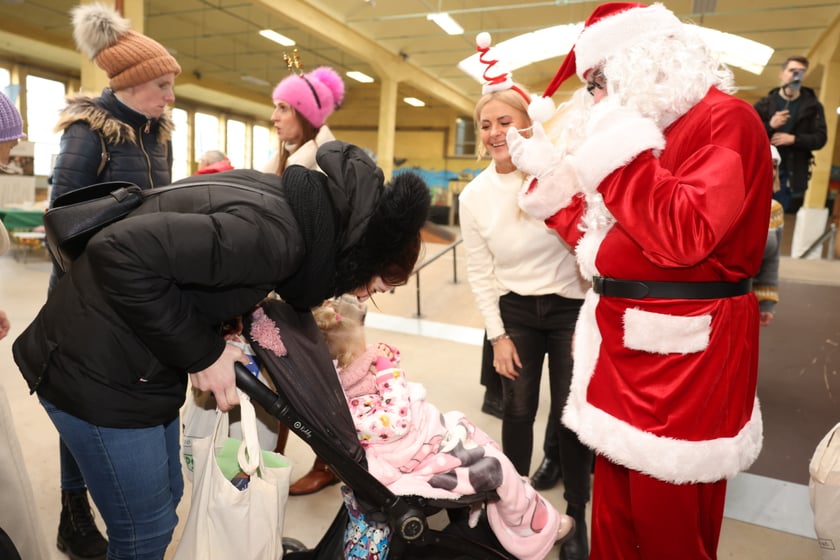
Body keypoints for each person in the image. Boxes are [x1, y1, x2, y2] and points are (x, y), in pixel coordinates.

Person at [12, 140, 431, 559]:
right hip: (93, 369)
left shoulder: (288, 205)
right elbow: (118, 254)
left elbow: (194, 265)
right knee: (145, 529)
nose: (364, 295)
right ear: (362, 256)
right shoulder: (275, 238)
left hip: (135, 358)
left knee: (167, 498)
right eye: (375, 286)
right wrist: (204, 354)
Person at [507, 3, 772, 559]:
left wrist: (612, 144)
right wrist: (551, 177)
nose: (593, 97)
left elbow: (685, 232)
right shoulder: (640, 136)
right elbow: (598, 243)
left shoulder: (726, 120)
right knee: (615, 522)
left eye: (598, 82)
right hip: (623, 351)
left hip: (687, 365)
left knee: (670, 530)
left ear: (642, 59)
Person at [46, 3, 182, 558]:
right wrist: (106, 278)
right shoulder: (89, 132)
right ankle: (73, 510)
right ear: (129, 83)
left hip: (135, 288)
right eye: (162, 85)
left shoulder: (156, 132)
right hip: (90, 293)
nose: (170, 96)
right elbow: (62, 222)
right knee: (84, 401)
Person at [458, 33, 592, 560]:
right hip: (516, 312)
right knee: (516, 411)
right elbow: (479, 270)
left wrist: (590, 323)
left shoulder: (560, 177)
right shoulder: (474, 196)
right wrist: (498, 336)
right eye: (486, 123)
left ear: (527, 124)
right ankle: (515, 509)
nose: (495, 132)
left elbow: (590, 246)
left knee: (571, 414)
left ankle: (576, 515)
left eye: (505, 121)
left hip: (569, 310)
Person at [305, 301, 575, 560]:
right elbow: (396, 421)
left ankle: (518, 497)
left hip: (420, 436)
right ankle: (537, 526)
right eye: (362, 351)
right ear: (349, 359)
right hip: (412, 450)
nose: (368, 355)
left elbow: (380, 384)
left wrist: (382, 360)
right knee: (496, 464)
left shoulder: (349, 382)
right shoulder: (356, 406)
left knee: (472, 433)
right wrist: (389, 374)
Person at [263, 62, 349, 495]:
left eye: (283, 107)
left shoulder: (319, 163)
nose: (274, 117)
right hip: (288, 291)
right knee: (277, 380)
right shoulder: (287, 157)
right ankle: (270, 463)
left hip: (322, 296)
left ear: (306, 113)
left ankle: (327, 464)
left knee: (325, 384)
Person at [753, 55, 827, 214]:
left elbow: (821, 138)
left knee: (776, 219)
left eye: (801, 71)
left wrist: (794, 139)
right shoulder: (764, 105)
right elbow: (748, 136)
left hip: (791, 175)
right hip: (763, 170)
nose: (796, 75)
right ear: (782, 73)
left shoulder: (813, 106)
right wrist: (770, 126)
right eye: (792, 70)